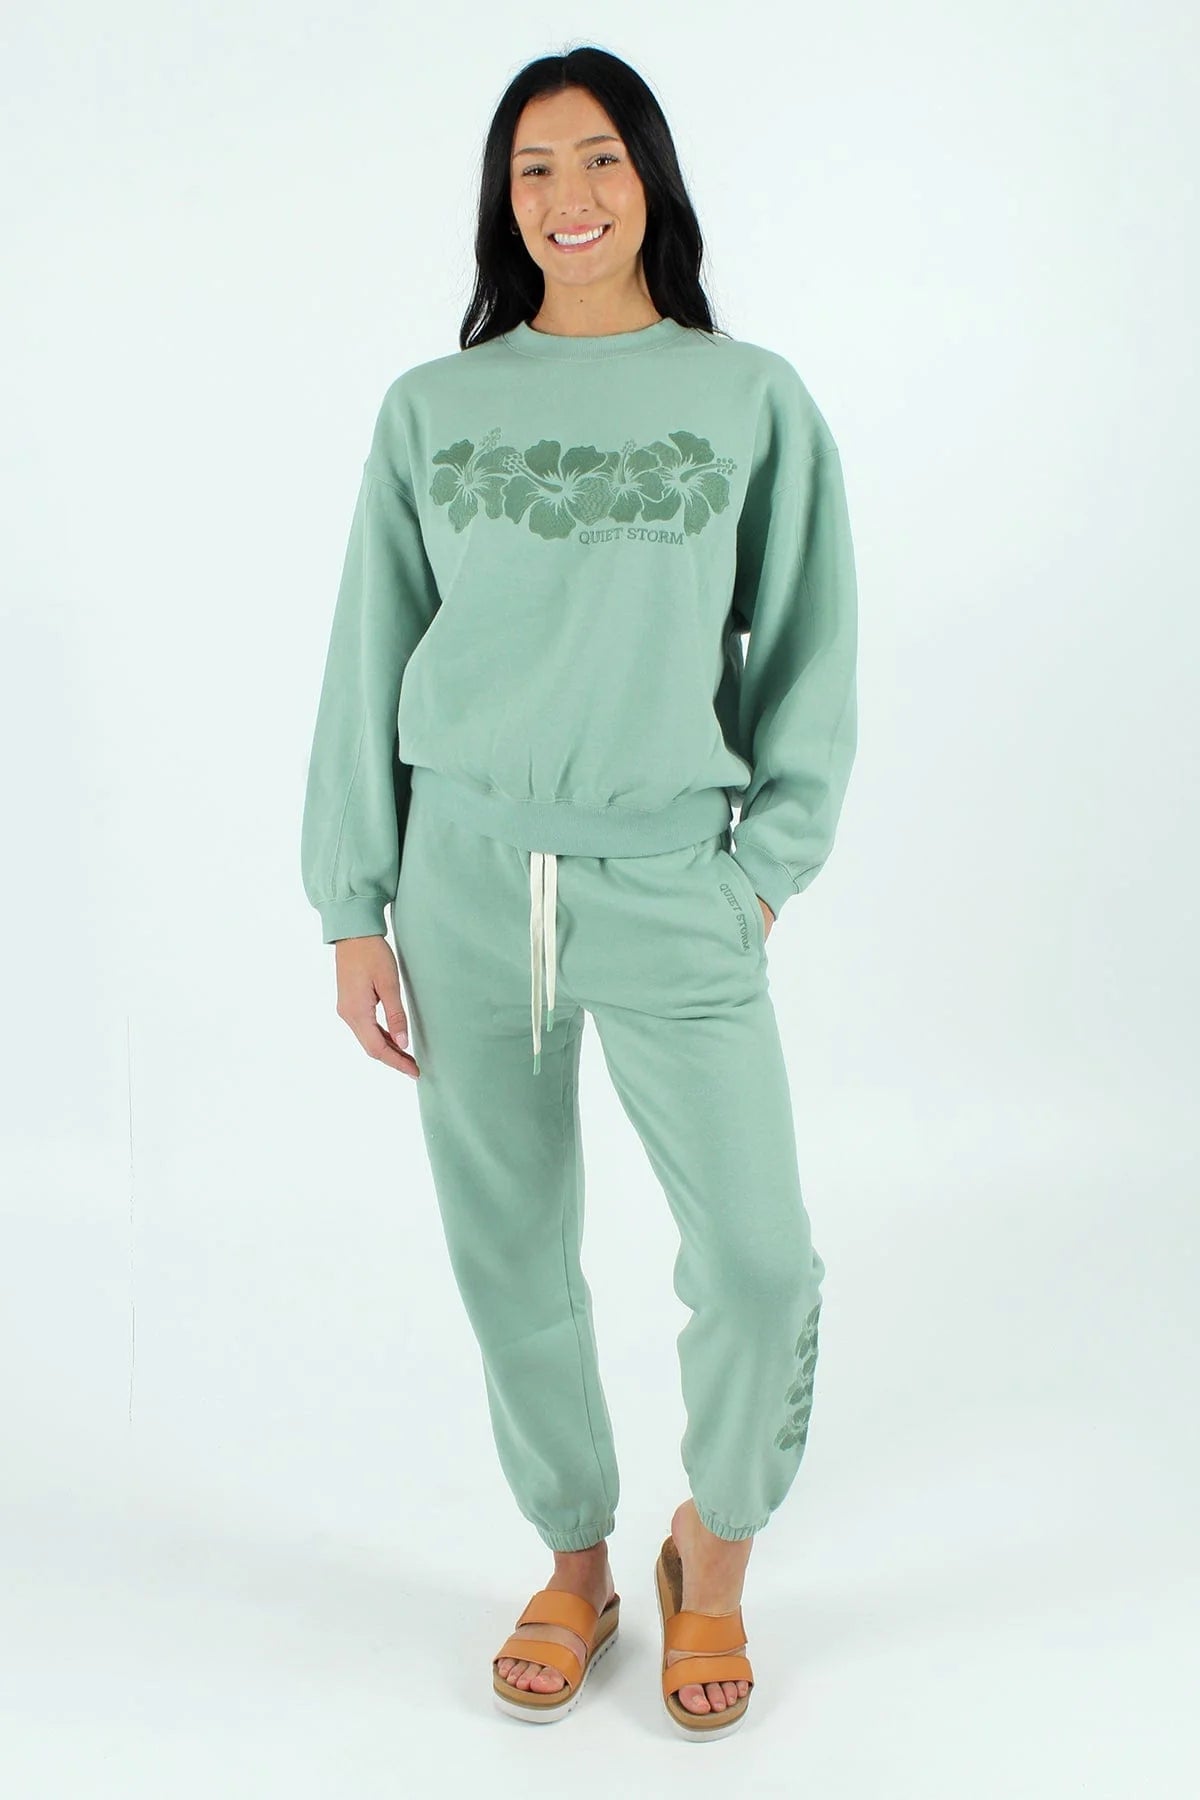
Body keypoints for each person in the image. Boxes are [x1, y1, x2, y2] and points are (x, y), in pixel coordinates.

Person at [300, 45, 858, 1738]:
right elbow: (369, 655)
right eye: (533, 167)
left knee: (757, 1261)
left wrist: (762, 874)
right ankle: (574, 1560)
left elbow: (810, 646)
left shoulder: (749, 396)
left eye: (600, 157)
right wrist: (354, 905)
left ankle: (716, 1553)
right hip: (465, 878)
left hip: (675, 878)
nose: (569, 196)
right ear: (505, 201)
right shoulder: (433, 409)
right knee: (511, 1252)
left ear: (652, 178)